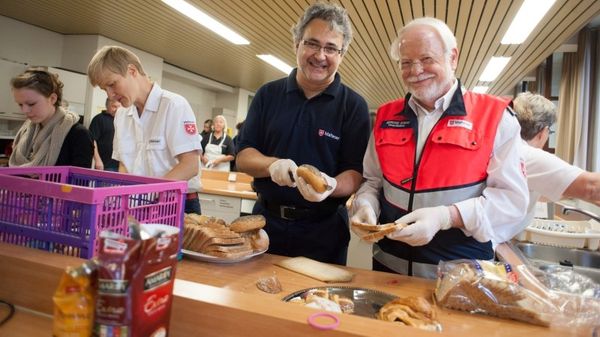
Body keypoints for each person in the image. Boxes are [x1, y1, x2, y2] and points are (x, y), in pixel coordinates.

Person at [350, 17, 529, 278]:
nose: (416, 70)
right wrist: (366, 206)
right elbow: (372, 182)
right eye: (406, 63)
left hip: (462, 282)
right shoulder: (386, 117)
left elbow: (512, 203)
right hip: (388, 275)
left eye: (426, 59)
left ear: (452, 57)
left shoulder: (495, 117)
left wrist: (447, 217)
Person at [236, 2, 370, 265]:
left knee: (316, 304)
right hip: (265, 225)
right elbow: (243, 156)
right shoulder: (268, 94)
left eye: (331, 48)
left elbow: (354, 173)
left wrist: (330, 186)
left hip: (324, 231)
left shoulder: (354, 106)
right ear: (296, 43)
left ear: (342, 54)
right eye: (312, 43)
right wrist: (272, 165)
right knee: (255, 299)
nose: (320, 55)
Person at [87, 46, 203, 214]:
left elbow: (190, 165)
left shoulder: (173, 105)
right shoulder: (121, 115)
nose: (110, 95)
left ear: (132, 71)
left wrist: (147, 193)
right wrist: (120, 198)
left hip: (177, 204)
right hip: (138, 205)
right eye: (105, 89)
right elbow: (124, 166)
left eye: (112, 84)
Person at [494, 92, 600, 243]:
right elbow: (593, 187)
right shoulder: (528, 155)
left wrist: (574, 191)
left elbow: (540, 191)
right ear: (543, 131)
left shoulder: (506, 148)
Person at [9, 68, 93, 168]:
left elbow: (79, 181)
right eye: (20, 104)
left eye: (31, 104)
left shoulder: (78, 135)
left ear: (52, 98)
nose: (24, 111)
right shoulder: (25, 132)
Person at [89, 98, 121, 171]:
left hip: (121, 165)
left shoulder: (122, 120)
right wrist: (97, 160)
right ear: (107, 106)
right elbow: (92, 140)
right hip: (105, 165)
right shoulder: (99, 119)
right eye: (114, 106)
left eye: (119, 107)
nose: (117, 110)